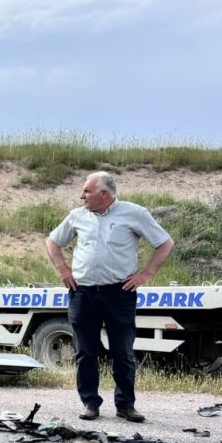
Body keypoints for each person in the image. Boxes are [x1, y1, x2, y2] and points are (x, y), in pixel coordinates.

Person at [46, 171, 174, 423]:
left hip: (119, 293)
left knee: (122, 352)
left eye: (86, 191)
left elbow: (165, 243)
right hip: (82, 293)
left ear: (104, 193)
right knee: (85, 352)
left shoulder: (134, 213)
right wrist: (63, 269)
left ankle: (126, 405)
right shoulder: (77, 216)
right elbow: (52, 242)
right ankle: (90, 403)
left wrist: (146, 274)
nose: (81, 196)